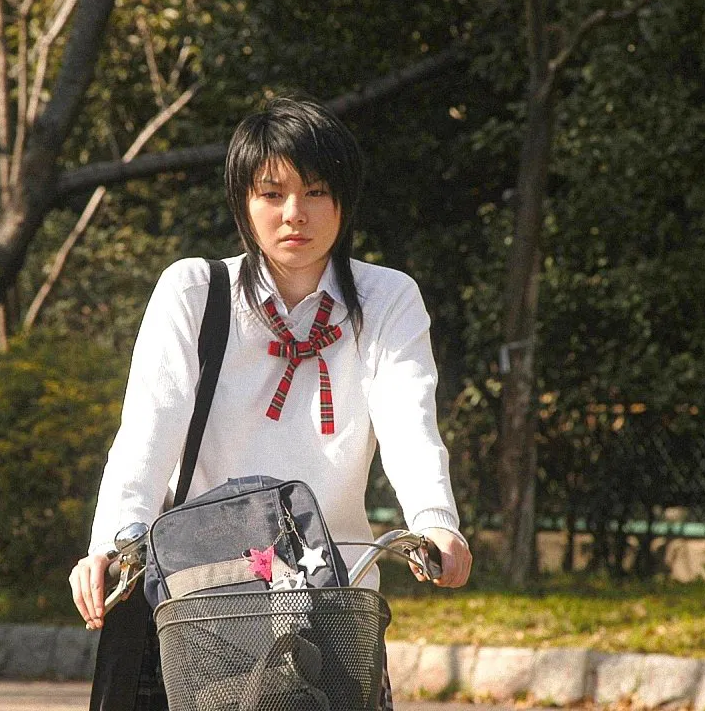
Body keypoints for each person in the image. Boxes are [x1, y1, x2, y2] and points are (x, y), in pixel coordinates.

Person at [71, 96, 472, 708]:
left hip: (335, 599)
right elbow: (148, 432)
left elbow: (409, 420)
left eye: (316, 192)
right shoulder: (195, 292)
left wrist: (435, 521)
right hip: (204, 602)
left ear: (344, 200)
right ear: (242, 202)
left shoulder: (386, 299)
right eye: (271, 193)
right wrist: (113, 545)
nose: (294, 214)